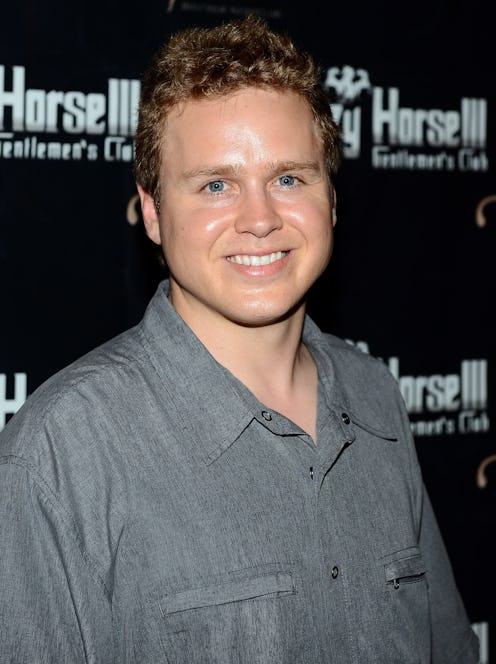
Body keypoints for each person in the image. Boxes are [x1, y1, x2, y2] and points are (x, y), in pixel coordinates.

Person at [0, 16, 478, 664]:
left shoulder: (375, 396)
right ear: (152, 212)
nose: (260, 219)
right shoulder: (61, 454)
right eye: (216, 185)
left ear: (332, 199)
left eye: (289, 178)